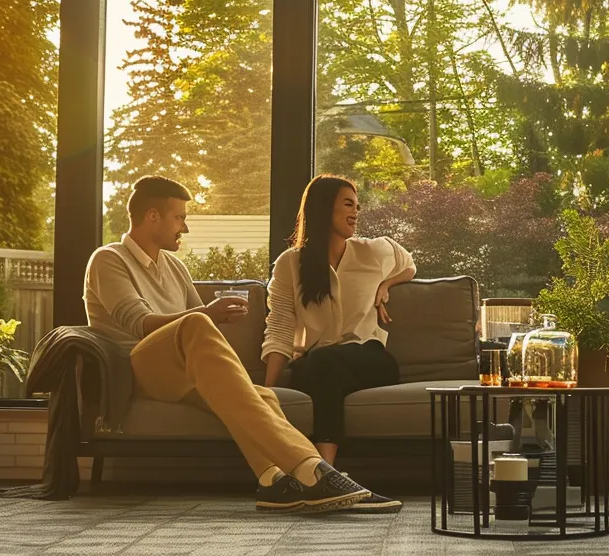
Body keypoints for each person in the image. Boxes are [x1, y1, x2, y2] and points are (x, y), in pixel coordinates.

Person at [85, 175, 383, 514]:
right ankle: (313, 469)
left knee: (262, 395)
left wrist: (213, 319)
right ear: (152, 216)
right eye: (179, 218)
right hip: (137, 369)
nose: (184, 228)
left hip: (179, 372)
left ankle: (273, 481)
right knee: (196, 322)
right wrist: (206, 314)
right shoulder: (108, 259)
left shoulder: (174, 266)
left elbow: (198, 332)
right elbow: (139, 323)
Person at [262, 175, 414, 513]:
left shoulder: (373, 251)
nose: (356, 212)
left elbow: (409, 264)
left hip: (370, 360)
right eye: (348, 203)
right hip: (317, 366)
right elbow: (281, 327)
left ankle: (321, 474)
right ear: (322, 208)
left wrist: (385, 285)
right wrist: (267, 393)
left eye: (357, 205)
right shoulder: (290, 264)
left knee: (324, 363)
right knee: (319, 364)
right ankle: (326, 474)